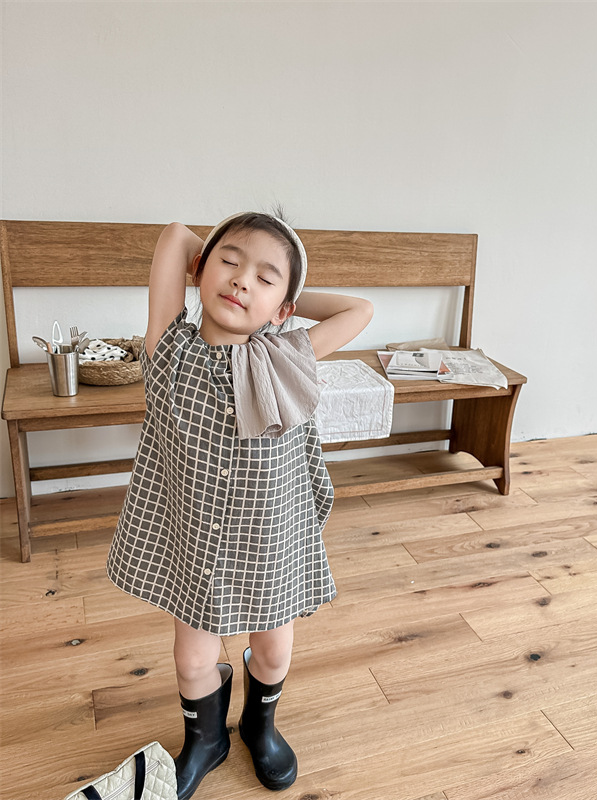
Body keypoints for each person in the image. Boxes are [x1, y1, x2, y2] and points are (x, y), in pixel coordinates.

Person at [106, 211, 373, 798]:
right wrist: (219, 263)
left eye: (264, 278)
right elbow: (175, 235)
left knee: (275, 650)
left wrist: (286, 297)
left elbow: (359, 309)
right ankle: (205, 740)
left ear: (283, 308)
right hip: (194, 545)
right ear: (201, 270)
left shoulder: (289, 355)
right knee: (192, 659)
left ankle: (259, 726)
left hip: (269, 542)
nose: (241, 280)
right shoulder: (169, 348)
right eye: (229, 263)